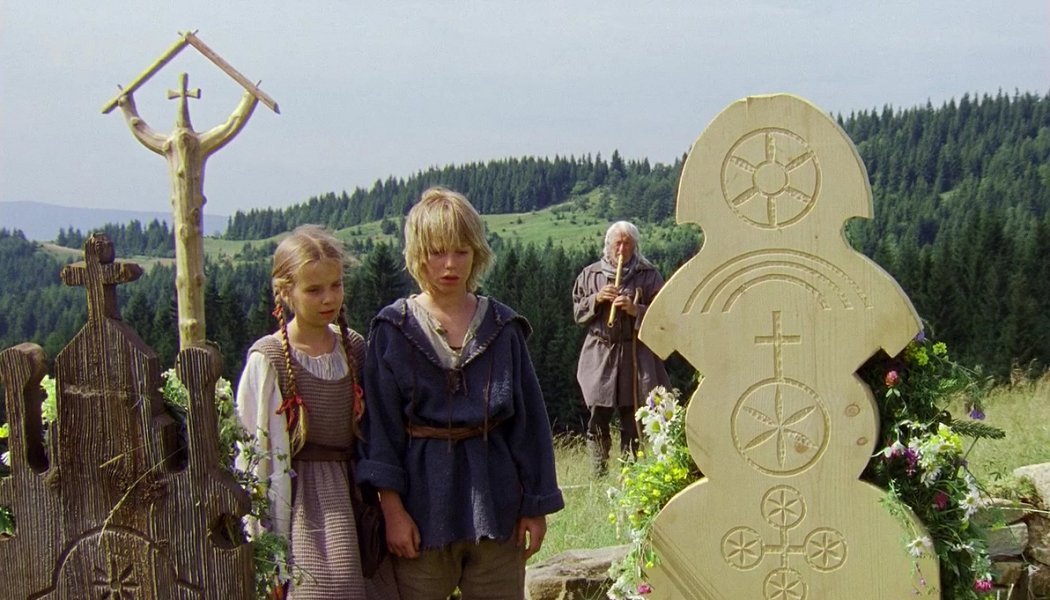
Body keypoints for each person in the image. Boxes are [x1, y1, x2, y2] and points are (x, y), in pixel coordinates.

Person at [356, 186, 564, 600]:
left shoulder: (502, 328)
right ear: (418, 254)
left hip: (497, 505)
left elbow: (530, 425)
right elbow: (380, 430)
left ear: (477, 253)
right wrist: (393, 512)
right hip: (420, 508)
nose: (450, 264)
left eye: (461, 251)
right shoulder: (393, 330)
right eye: (437, 252)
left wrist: (535, 506)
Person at [235, 224, 397, 599]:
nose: (329, 298)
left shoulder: (354, 348)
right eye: (314, 290)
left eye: (336, 286)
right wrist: (264, 550)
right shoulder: (270, 359)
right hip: (301, 507)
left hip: (356, 502)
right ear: (285, 292)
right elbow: (253, 460)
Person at [573, 221, 670, 476]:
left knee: (632, 417)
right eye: (618, 243)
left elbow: (664, 317)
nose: (622, 249)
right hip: (600, 353)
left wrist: (635, 310)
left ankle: (630, 477)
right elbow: (578, 313)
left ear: (635, 246)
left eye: (628, 243)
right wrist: (596, 299)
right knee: (598, 414)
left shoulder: (648, 275)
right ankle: (598, 473)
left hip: (634, 354)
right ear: (608, 245)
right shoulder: (591, 274)